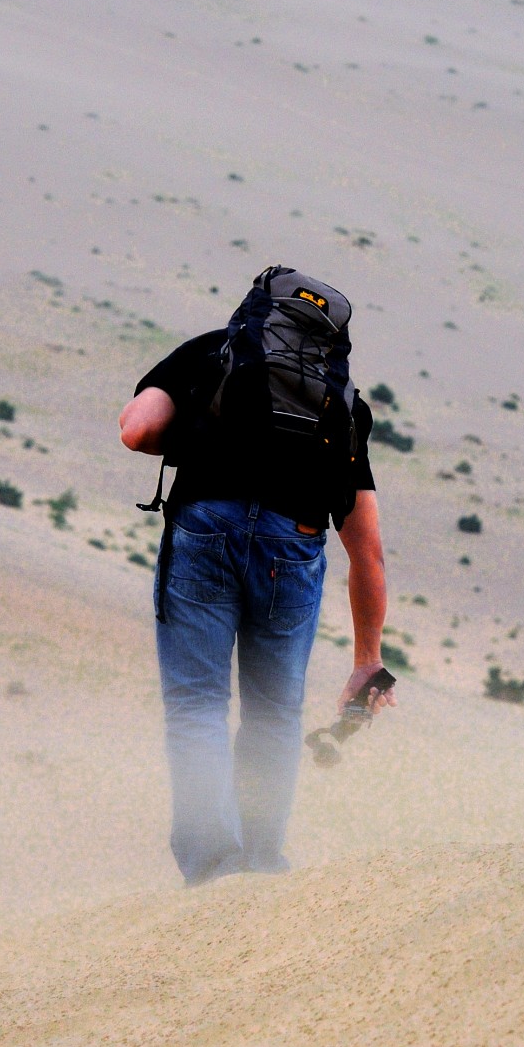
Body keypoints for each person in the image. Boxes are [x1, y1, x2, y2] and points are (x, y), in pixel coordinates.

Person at [118, 266, 393, 886]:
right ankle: (263, 863)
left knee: (196, 706)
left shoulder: (208, 353)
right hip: (293, 546)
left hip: (204, 530)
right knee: (273, 714)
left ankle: (215, 869)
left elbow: (137, 431)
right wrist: (366, 659)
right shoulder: (342, 402)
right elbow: (367, 551)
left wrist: (201, 434)